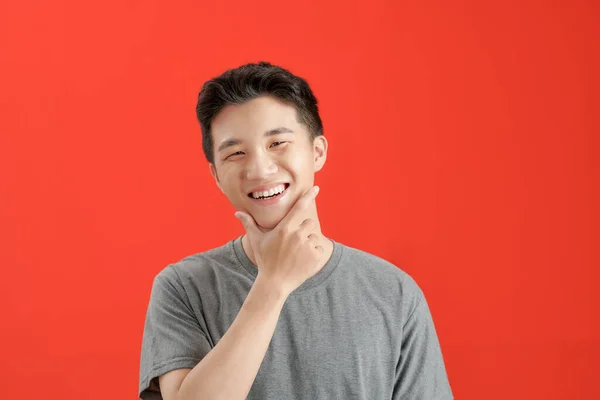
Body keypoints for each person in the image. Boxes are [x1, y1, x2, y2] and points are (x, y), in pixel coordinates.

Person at [138, 61, 453, 400]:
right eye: (236, 153)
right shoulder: (183, 288)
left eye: (278, 144)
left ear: (317, 152)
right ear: (215, 175)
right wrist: (273, 284)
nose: (259, 168)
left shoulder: (394, 293)